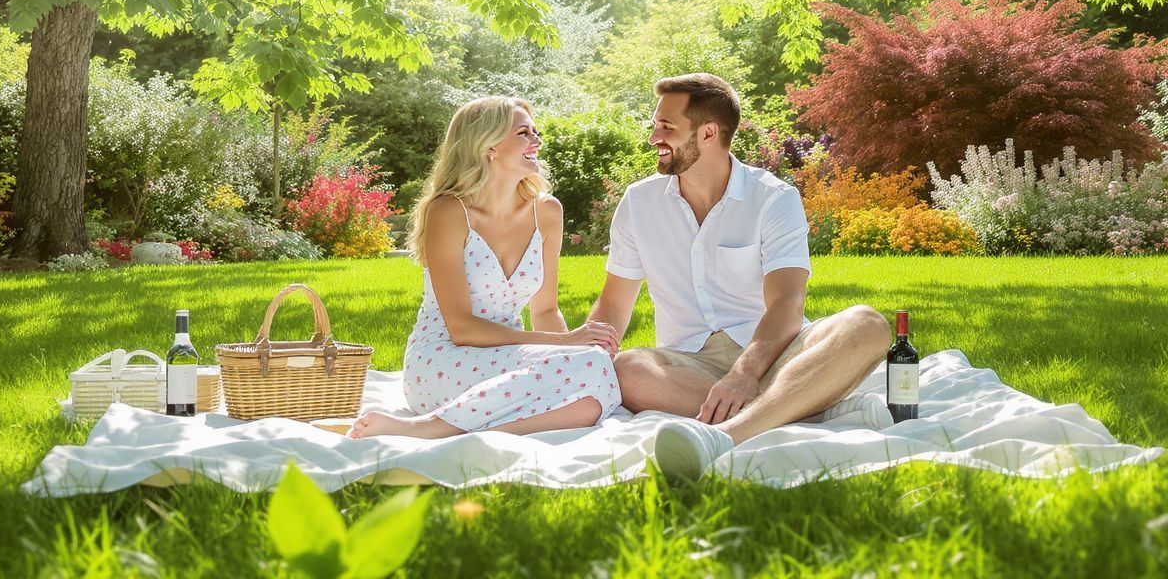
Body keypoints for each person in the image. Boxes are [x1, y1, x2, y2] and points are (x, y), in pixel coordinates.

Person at [585, 74, 891, 478]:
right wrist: (582, 359)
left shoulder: (773, 199)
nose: (653, 137)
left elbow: (787, 304)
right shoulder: (639, 203)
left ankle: (726, 434)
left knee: (867, 324)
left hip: (775, 353)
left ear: (709, 132)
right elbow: (613, 304)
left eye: (667, 126)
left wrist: (745, 375)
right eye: (655, 124)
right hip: (687, 364)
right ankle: (813, 407)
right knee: (626, 367)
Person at [349, 96, 621, 439]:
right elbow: (462, 328)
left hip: (508, 356)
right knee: (588, 369)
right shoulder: (449, 211)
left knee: (591, 390)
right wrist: (566, 342)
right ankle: (425, 426)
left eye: (535, 131)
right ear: (489, 145)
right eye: (524, 132)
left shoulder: (547, 212)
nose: (536, 140)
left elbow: (547, 309)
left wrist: (572, 346)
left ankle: (453, 431)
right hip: (443, 359)